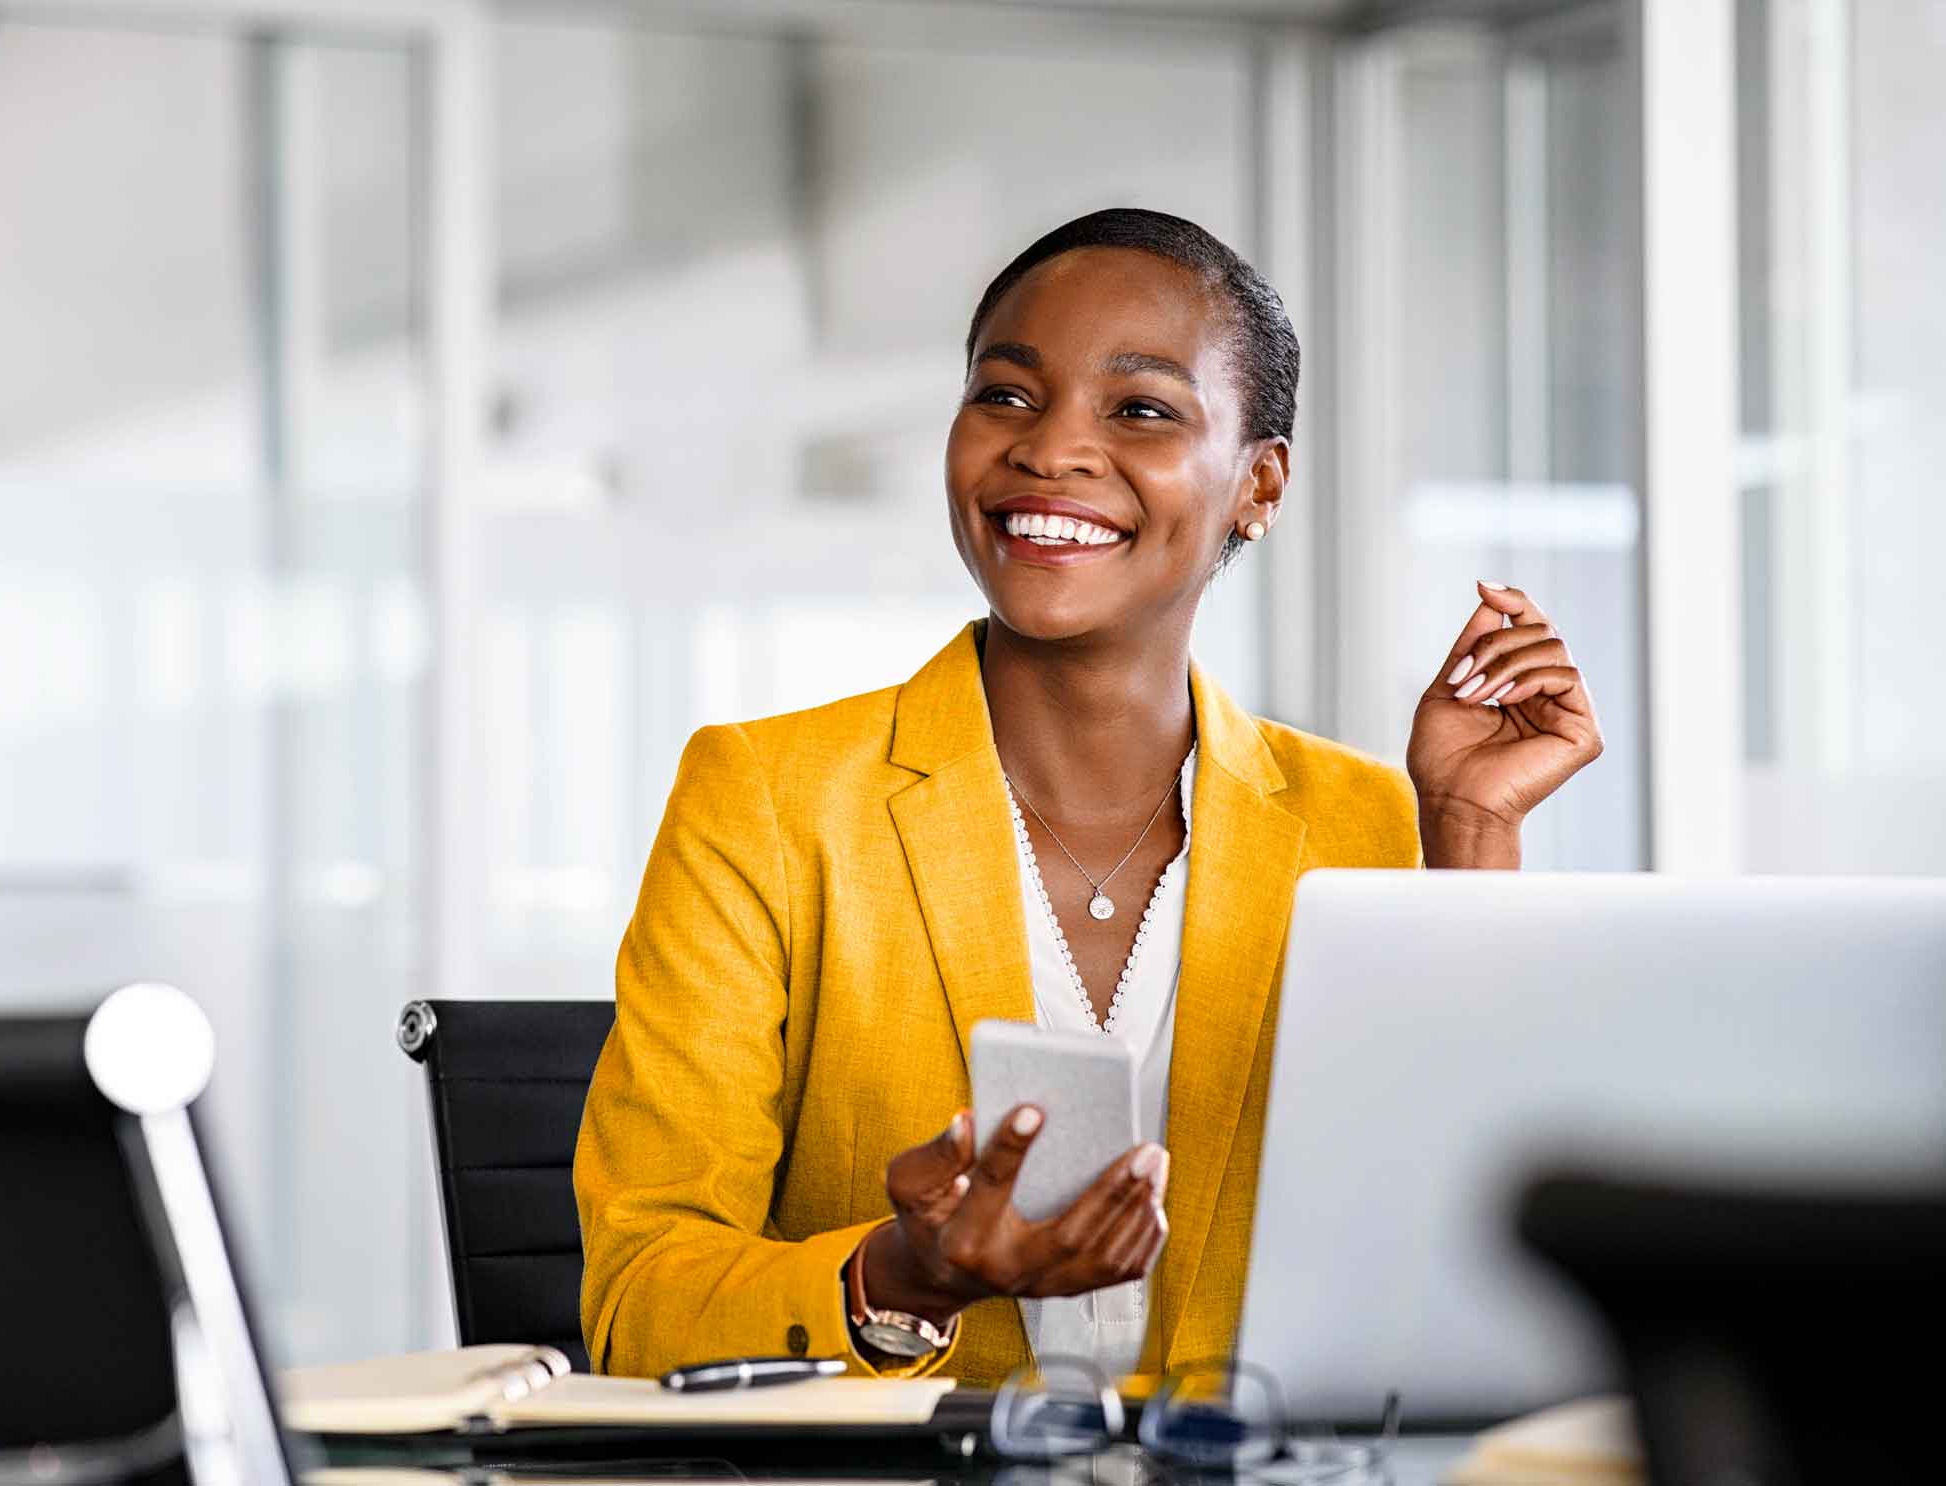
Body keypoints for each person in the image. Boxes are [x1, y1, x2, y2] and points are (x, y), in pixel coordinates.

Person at [573, 208, 1603, 1384]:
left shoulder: (1362, 823)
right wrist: (905, 1278)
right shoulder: (767, 799)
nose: (1051, 449)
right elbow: (637, 1300)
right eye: (1006, 395)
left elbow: (1469, 1262)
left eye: (1142, 409)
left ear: (1259, 483)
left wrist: (1469, 834)